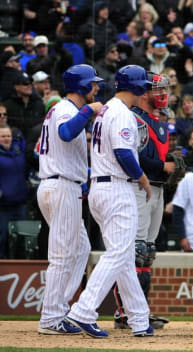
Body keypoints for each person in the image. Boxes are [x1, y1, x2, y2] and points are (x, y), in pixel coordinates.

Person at [66, 65, 153, 338]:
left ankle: (139, 319)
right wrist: (142, 178)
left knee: (124, 257)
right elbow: (124, 154)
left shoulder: (106, 110)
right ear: (137, 87)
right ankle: (83, 310)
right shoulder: (121, 113)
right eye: (144, 86)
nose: (146, 91)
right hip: (117, 189)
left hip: (101, 188)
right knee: (118, 254)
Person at [36, 64, 104, 335]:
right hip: (60, 186)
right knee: (63, 255)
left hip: (63, 184)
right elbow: (65, 133)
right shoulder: (66, 109)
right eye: (93, 84)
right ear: (83, 86)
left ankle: (59, 308)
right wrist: (89, 111)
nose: (96, 88)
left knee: (81, 248)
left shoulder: (63, 110)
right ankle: (51, 317)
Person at [113, 72, 175, 330]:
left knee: (147, 252)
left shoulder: (160, 119)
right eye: (156, 90)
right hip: (139, 186)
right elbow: (135, 155)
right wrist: (164, 166)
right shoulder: (134, 117)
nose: (162, 95)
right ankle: (123, 313)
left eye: (164, 90)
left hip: (157, 187)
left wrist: (173, 162)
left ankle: (141, 310)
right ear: (143, 91)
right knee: (135, 251)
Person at [0, 125, 28, 259]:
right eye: (3, 136)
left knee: (21, 239)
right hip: (3, 205)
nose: (6, 139)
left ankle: (20, 268)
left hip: (20, 202)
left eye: (8, 136)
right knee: (2, 238)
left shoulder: (19, 151)